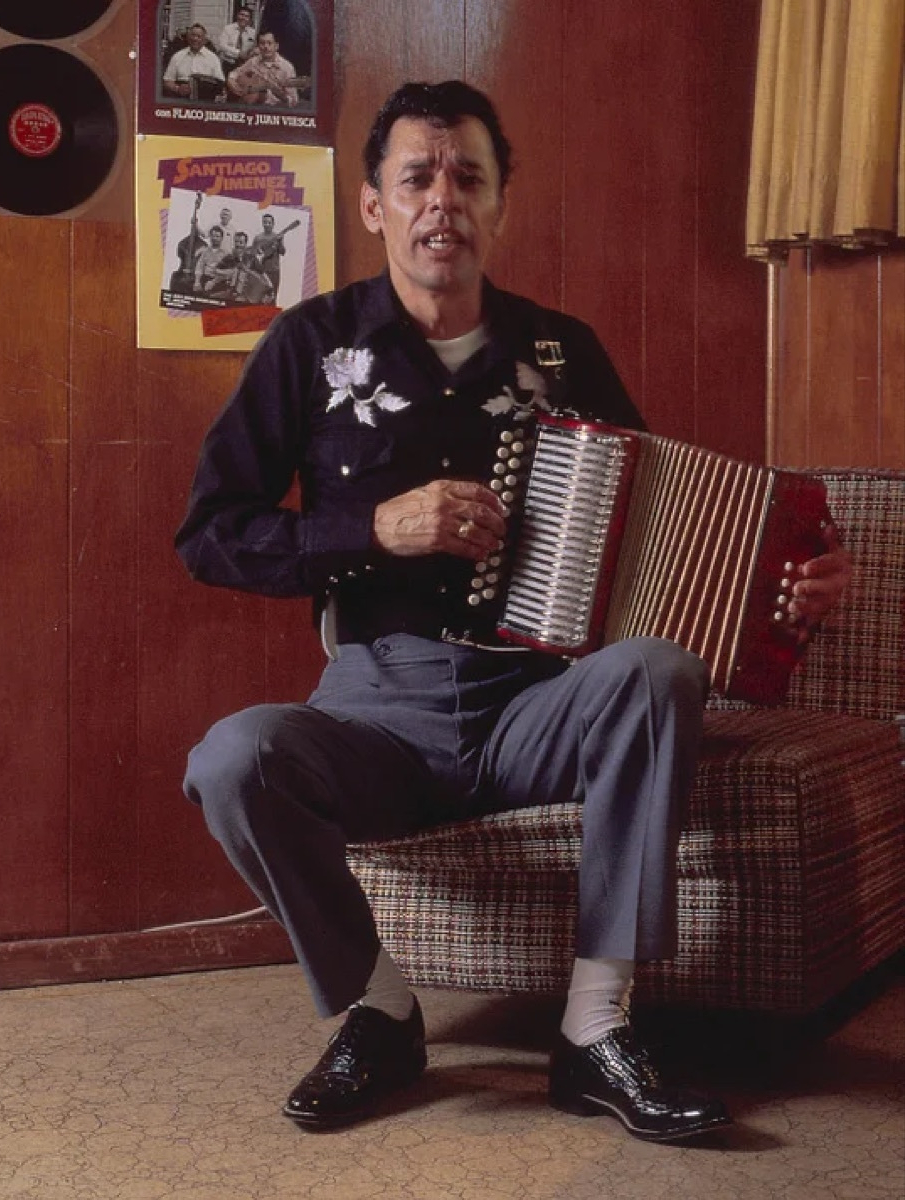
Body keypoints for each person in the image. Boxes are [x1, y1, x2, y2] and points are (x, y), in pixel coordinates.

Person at [176, 81, 851, 1141]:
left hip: (535, 702)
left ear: (499, 206)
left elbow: (657, 536)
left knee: (657, 670)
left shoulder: (560, 352)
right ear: (372, 206)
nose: (441, 199)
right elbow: (210, 534)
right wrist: (370, 530)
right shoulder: (309, 347)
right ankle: (380, 1010)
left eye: (467, 178)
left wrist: (783, 593)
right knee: (230, 759)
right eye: (416, 178)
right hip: (373, 714)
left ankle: (593, 1028)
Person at [226, 31, 299, 107]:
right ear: (258, 46)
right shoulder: (253, 61)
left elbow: (293, 101)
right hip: (252, 107)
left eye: (269, 43)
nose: (266, 47)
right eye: (262, 43)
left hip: (274, 111)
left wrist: (281, 96)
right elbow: (235, 73)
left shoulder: (287, 67)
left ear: (276, 46)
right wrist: (231, 80)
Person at [162, 23, 224, 100]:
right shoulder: (177, 56)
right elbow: (167, 81)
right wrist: (177, 88)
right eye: (193, 35)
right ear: (188, 38)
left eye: (199, 36)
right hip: (181, 97)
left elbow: (220, 83)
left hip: (205, 99)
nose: (195, 39)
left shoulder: (213, 58)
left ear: (204, 40)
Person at [249, 212, 288, 302]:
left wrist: (280, 242)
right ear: (262, 223)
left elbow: (282, 252)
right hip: (260, 272)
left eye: (269, 222)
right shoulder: (258, 238)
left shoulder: (277, 236)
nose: (267, 224)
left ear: (273, 224)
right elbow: (252, 255)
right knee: (259, 297)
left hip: (274, 271)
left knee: (272, 297)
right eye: (265, 222)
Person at [217, 7, 257, 77]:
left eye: (246, 16)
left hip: (245, 65)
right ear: (237, 16)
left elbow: (255, 47)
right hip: (228, 64)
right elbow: (222, 46)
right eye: (241, 15)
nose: (243, 18)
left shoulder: (253, 33)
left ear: (250, 19)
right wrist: (238, 53)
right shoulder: (228, 29)